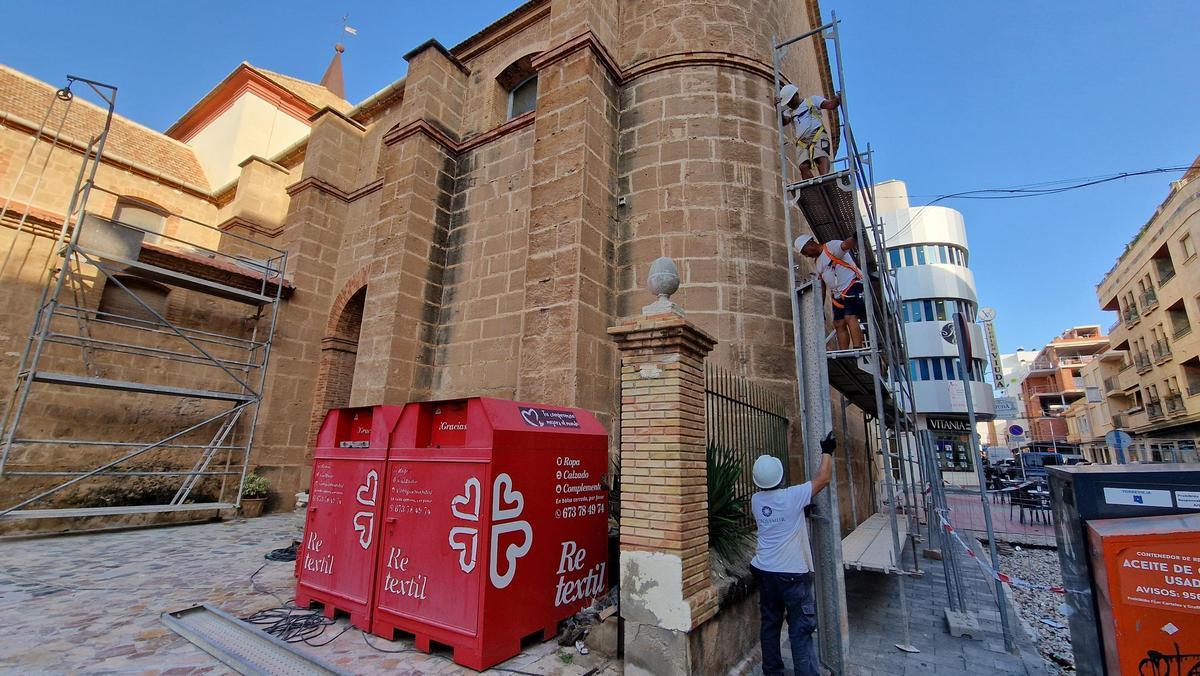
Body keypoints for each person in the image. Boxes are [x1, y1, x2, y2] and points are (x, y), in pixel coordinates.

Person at [750, 432, 836, 676]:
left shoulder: (756, 500)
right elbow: (823, 479)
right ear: (781, 477)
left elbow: (779, 515)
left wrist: (800, 513)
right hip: (792, 575)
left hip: (765, 572)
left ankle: (772, 672)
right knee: (800, 629)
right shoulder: (792, 496)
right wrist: (827, 451)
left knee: (770, 625)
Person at [794, 233, 865, 350]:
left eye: (805, 252)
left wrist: (855, 237)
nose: (806, 255)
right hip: (838, 294)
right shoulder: (817, 263)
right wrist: (820, 306)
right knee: (838, 323)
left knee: (849, 316)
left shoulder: (831, 247)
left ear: (810, 244)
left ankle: (857, 348)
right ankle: (844, 352)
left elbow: (845, 245)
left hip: (852, 285)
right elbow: (822, 285)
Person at [777, 83, 840, 180]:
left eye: (791, 101)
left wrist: (837, 99)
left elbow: (830, 105)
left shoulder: (812, 101)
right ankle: (814, 186)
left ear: (796, 95)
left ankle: (825, 181)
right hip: (802, 142)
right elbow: (783, 122)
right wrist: (777, 108)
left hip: (817, 135)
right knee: (803, 166)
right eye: (788, 103)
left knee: (820, 158)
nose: (790, 104)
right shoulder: (789, 112)